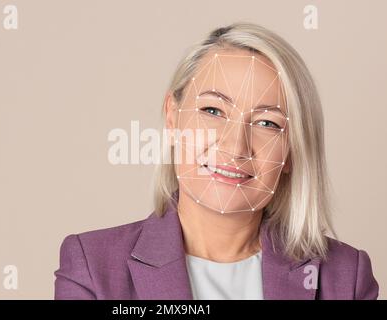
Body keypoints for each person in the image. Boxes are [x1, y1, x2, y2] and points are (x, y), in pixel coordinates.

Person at [54, 22, 379, 299]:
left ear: (292, 151)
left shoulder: (345, 277)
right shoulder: (92, 267)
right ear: (172, 117)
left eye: (268, 123)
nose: (235, 146)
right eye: (213, 111)